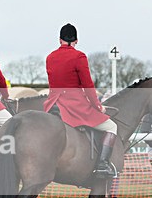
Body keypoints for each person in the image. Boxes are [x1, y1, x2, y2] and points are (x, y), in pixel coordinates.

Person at [44, 23, 118, 177]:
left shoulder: (50, 57)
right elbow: (88, 85)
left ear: (60, 40)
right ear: (76, 41)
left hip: (53, 104)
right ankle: (102, 165)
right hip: (74, 106)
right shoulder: (79, 56)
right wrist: (98, 106)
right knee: (111, 127)